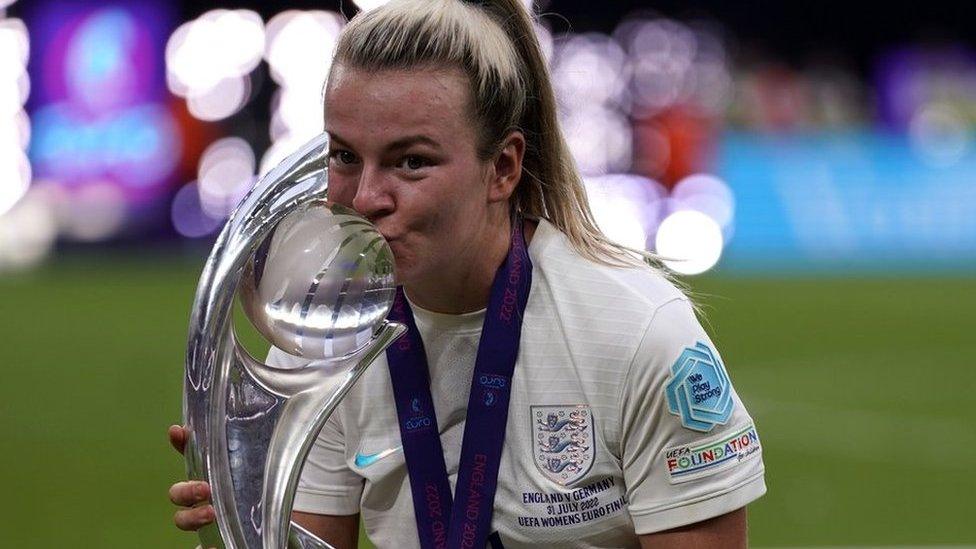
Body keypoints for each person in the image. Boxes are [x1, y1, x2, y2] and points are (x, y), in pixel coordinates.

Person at [168, 0, 766, 547]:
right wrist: (250, 523)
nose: (367, 197)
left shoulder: (636, 334)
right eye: (345, 155)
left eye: (411, 162)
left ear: (502, 168)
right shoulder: (318, 336)